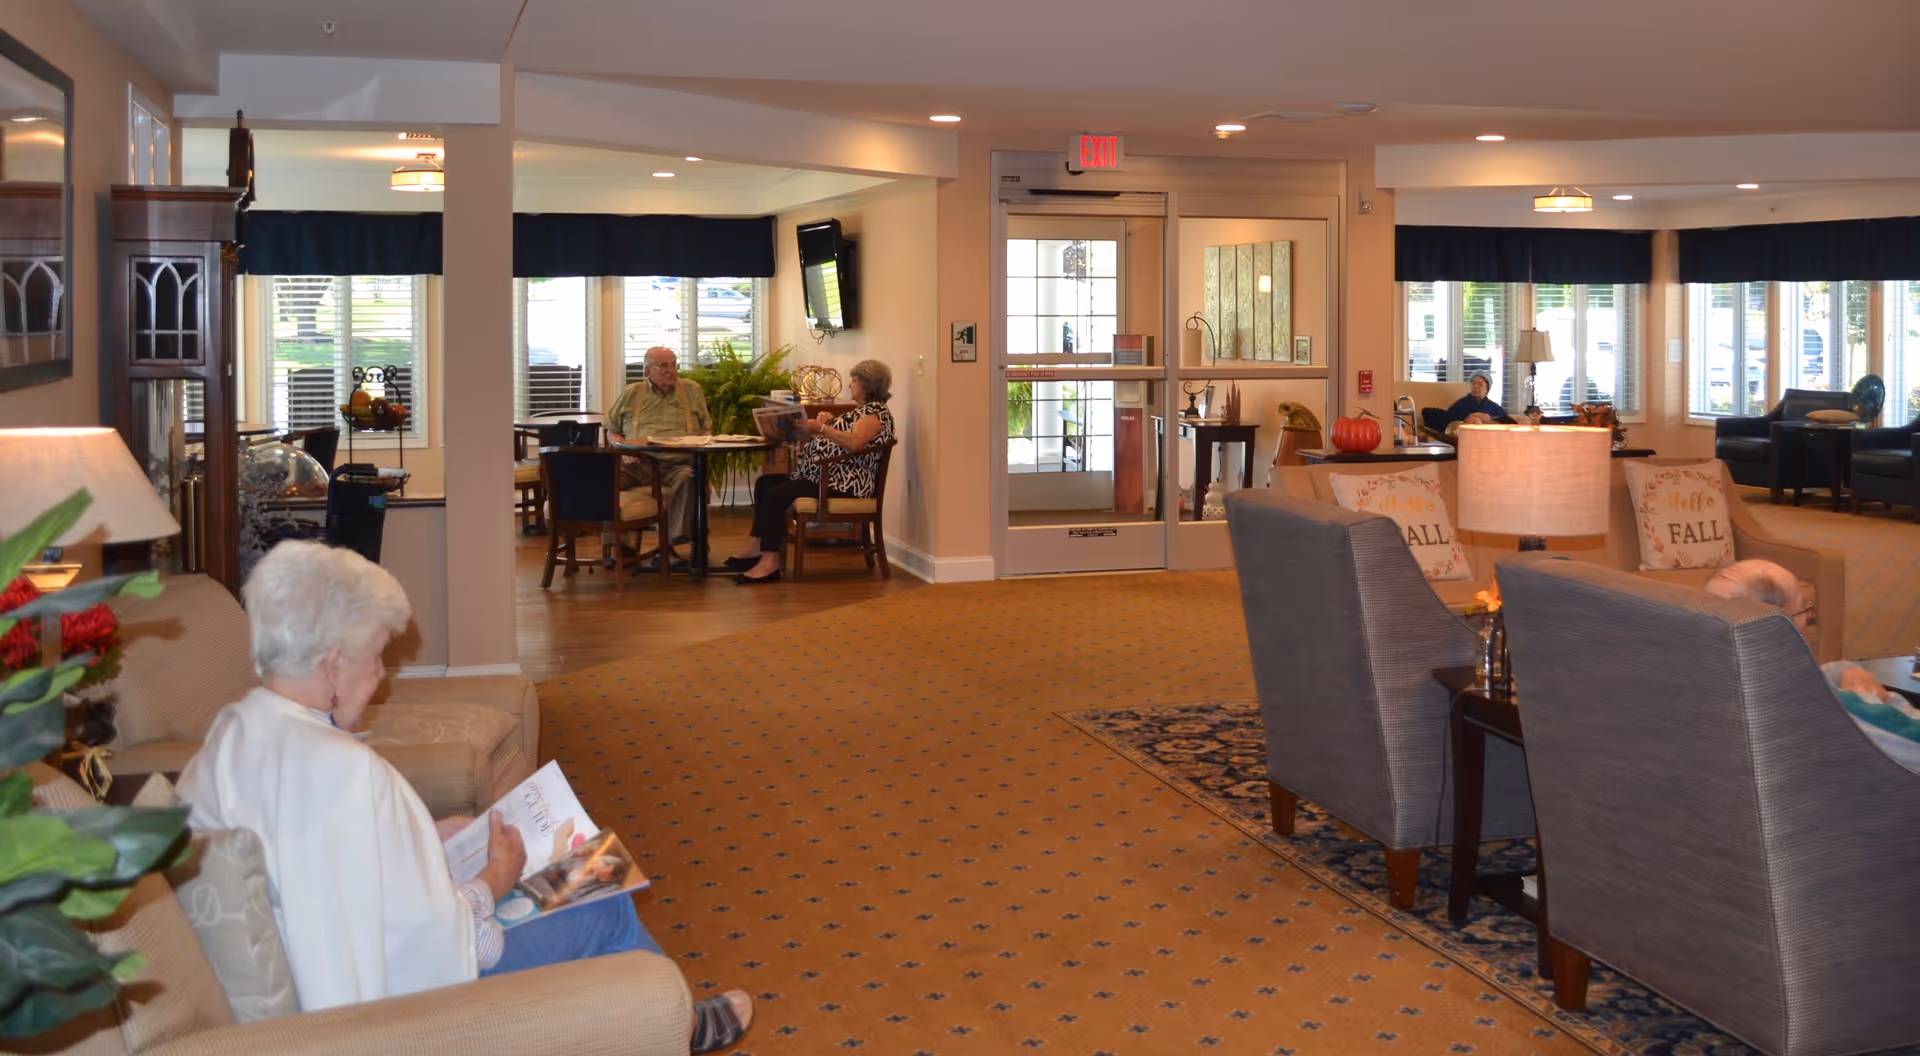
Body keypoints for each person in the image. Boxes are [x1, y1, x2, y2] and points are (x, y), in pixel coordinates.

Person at [176, 541, 752, 1052]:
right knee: (601, 889)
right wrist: (494, 879)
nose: (381, 677)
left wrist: (423, 840)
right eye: (377, 658)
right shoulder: (345, 772)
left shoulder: (232, 736)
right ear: (332, 664)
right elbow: (452, 950)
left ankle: (647, 1022)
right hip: (407, 1012)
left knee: (579, 873)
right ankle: (671, 1024)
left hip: (308, 998)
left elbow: (326, 866)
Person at [1703, 558, 1920, 773]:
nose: (1806, 618)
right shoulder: (1836, 708)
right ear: (1781, 626)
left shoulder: (1700, 687)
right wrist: (1878, 700)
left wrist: (1844, 670)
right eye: (1802, 609)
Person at [728, 358, 895, 584]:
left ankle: (769, 563)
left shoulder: (874, 414)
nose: (849, 385)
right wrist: (826, 423)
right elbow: (844, 436)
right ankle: (759, 549)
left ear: (867, 385)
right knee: (765, 483)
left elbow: (855, 443)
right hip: (825, 476)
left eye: (854, 381)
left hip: (842, 483)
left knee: (775, 494)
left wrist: (822, 428)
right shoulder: (862, 411)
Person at [606, 345, 712, 545]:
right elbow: (612, 431)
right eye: (663, 366)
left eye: (673, 364)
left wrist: (703, 441)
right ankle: (619, 545)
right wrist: (623, 448)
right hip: (637, 464)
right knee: (603, 477)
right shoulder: (632, 392)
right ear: (647, 371)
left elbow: (706, 429)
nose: (670, 370)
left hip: (678, 465)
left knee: (691, 477)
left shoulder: (692, 390)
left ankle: (672, 543)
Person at [1444, 370, 1510, 426]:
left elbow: (1508, 423)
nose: (1476, 386)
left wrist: (1489, 420)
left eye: (1480, 384)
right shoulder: (1461, 403)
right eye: (1474, 383)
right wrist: (1467, 419)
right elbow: (1449, 420)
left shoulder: (1494, 407)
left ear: (1487, 389)